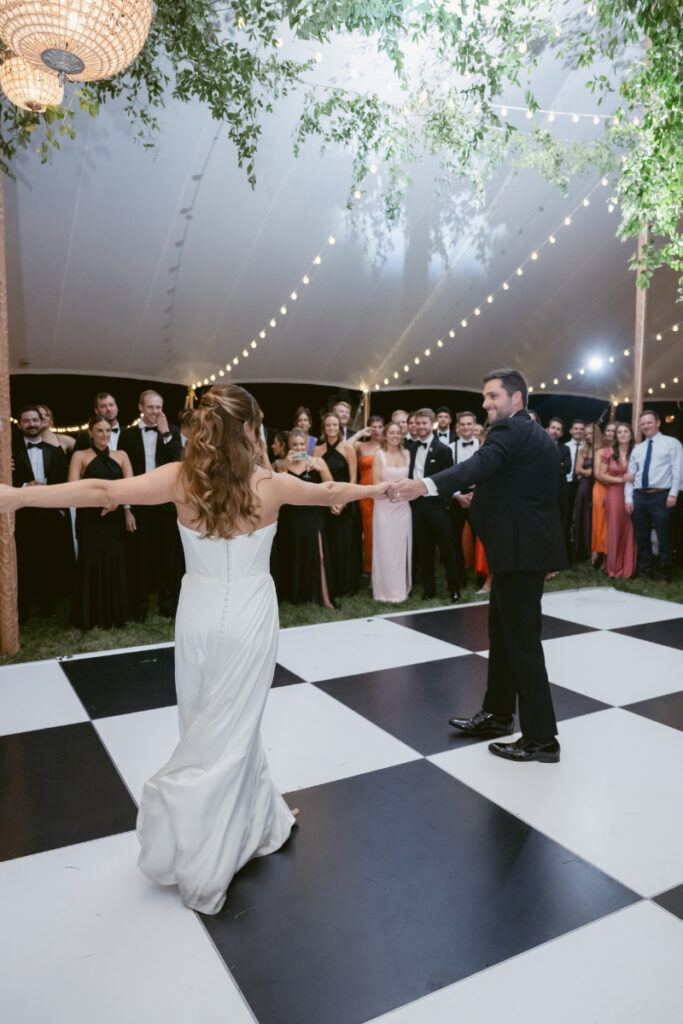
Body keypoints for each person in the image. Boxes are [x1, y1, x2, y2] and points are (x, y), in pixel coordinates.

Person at [0, 382, 390, 914]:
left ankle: (256, 816)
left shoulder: (179, 478)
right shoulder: (271, 484)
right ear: (249, 427)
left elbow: (102, 491)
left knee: (206, 724)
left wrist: (19, 497)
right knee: (235, 727)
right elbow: (331, 493)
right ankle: (208, 854)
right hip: (250, 614)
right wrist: (385, 489)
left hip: (198, 615)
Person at [388, 369, 566, 763]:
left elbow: (478, 465)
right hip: (519, 554)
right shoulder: (534, 433)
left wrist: (423, 485)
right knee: (502, 638)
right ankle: (498, 714)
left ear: (516, 398)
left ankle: (542, 739)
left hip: (520, 555)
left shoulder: (510, 430)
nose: (485, 403)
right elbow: (526, 490)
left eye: (492, 396)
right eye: (484, 397)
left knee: (522, 645)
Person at [118, 389, 184, 619]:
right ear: (141, 407)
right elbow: (123, 473)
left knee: (168, 556)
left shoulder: (172, 431)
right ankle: (139, 607)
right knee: (140, 557)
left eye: (159, 407)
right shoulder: (127, 435)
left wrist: (165, 434)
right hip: (139, 503)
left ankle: (168, 606)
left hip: (166, 504)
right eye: (151, 407)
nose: (155, 411)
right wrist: (127, 508)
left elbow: (180, 460)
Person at [68, 415, 135, 629]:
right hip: (89, 518)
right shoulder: (80, 456)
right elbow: (73, 488)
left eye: (108, 430)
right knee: (91, 562)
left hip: (114, 519)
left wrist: (118, 505)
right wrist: (102, 501)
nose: (105, 435)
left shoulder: (122, 455)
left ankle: (114, 615)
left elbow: (131, 486)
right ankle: (92, 618)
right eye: (99, 430)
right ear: (90, 433)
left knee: (114, 561)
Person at [11, 405, 73, 622]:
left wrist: (50, 492)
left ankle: (47, 606)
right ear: (20, 425)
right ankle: (23, 608)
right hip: (23, 513)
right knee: (24, 560)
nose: (31, 424)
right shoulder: (9, 452)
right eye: (26, 421)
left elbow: (63, 480)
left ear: (42, 422)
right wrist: (24, 485)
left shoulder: (55, 450)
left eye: (35, 420)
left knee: (48, 559)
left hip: (49, 512)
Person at [276, 428, 336, 608]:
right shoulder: (283, 465)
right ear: (289, 446)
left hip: (314, 513)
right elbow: (279, 489)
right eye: (295, 444)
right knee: (296, 553)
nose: (299, 447)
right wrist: (284, 468)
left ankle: (325, 597)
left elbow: (331, 485)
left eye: (302, 444)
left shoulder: (317, 461)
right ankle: (299, 595)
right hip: (293, 515)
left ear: (307, 445)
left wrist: (319, 469)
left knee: (320, 554)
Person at [407, 408, 461, 601]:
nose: (421, 426)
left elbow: (450, 479)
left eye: (424, 423)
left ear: (432, 425)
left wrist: (444, 504)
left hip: (437, 507)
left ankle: (454, 588)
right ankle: (429, 590)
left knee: (447, 549)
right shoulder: (410, 448)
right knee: (424, 549)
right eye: (418, 423)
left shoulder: (443, 450)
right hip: (417, 506)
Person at [625, 409, 683, 583]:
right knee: (642, 537)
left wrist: (673, 494)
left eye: (649, 422)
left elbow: (678, 470)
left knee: (664, 536)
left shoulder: (672, 443)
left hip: (661, 496)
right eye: (642, 423)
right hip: (639, 497)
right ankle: (645, 573)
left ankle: (665, 574)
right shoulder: (638, 449)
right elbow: (630, 476)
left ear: (658, 423)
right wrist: (628, 498)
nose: (645, 426)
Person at [314, 411, 361, 596]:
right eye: (328, 425)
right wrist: (329, 502)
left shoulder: (348, 448)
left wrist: (343, 502)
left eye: (335, 425)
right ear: (324, 428)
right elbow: (317, 480)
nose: (332, 428)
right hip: (325, 504)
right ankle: (330, 586)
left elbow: (353, 478)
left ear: (339, 427)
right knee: (330, 544)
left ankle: (347, 586)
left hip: (346, 503)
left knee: (346, 544)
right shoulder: (317, 450)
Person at [371, 421, 412, 601]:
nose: (395, 436)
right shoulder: (379, 455)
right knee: (384, 547)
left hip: (403, 507)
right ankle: (383, 590)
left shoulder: (407, 454)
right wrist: (392, 489)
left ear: (401, 436)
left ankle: (399, 589)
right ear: (385, 435)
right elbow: (375, 483)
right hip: (384, 507)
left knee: (400, 547)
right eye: (392, 432)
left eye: (398, 433)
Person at [595, 422, 637, 578]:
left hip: (633, 494)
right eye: (619, 432)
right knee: (614, 528)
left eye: (626, 431)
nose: (622, 434)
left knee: (631, 529)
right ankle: (614, 568)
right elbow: (600, 475)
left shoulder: (637, 451)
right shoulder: (609, 452)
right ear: (616, 436)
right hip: (615, 494)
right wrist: (621, 480)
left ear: (631, 435)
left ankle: (628, 568)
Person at [450, 410, 480, 591]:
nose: (466, 427)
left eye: (469, 424)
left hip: (479, 496)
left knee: (480, 538)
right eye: (463, 424)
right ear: (458, 427)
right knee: (455, 539)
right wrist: (457, 495)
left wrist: (477, 493)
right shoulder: (450, 448)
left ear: (474, 426)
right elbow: (448, 475)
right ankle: (460, 578)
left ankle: (481, 577)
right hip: (457, 497)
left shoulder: (483, 445)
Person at [355, 415, 384, 572]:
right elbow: (344, 446)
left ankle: (384, 565)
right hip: (366, 492)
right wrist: (360, 433)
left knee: (384, 529)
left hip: (384, 492)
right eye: (373, 427)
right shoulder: (361, 445)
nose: (377, 430)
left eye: (380, 427)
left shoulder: (388, 446)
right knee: (369, 529)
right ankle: (370, 566)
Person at [591, 422, 616, 569]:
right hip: (601, 488)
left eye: (614, 431)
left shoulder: (621, 451)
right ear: (605, 433)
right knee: (599, 521)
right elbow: (597, 473)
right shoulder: (599, 451)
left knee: (610, 523)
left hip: (616, 489)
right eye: (608, 430)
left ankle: (608, 556)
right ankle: (597, 552)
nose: (611, 433)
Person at [573, 423, 595, 561]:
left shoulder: (603, 449)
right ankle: (582, 550)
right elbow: (577, 470)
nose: (588, 436)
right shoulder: (582, 450)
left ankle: (595, 550)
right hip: (585, 486)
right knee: (583, 517)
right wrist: (587, 472)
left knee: (595, 518)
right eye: (586, 434)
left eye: (591, 433)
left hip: (599, 486)